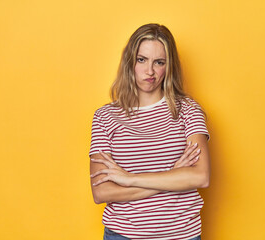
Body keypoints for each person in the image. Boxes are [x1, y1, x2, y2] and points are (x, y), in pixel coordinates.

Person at [89, 23, 210, 240]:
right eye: (141, 60)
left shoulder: (189, 111)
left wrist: (129, 179)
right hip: (123, 235)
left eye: (159, 62)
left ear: (169, 65)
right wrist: (173, 176)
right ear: (130, 62)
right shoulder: (105, 117)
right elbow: (102, 192)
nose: (150, 71)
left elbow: (200, 176)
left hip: (181, 235)